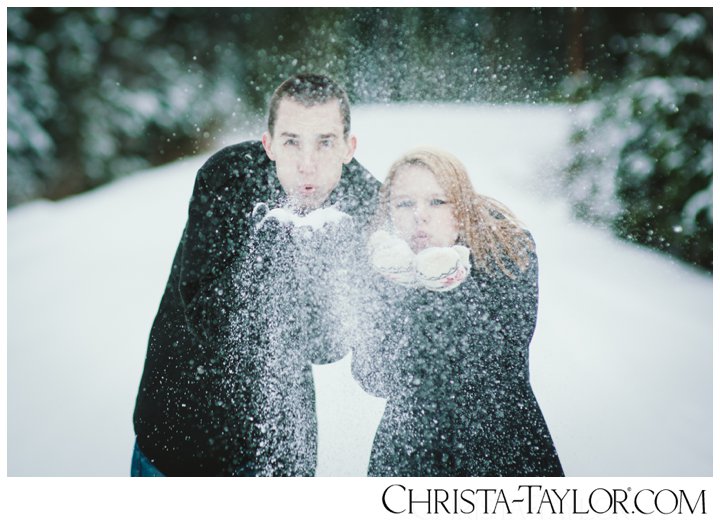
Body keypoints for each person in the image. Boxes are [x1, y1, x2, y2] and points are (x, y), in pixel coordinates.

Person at [132, 73, 379, 476]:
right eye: (291, 141)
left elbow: (326, 346)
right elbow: (208, 314)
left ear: (349, 147)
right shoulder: (228, 178)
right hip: (180, 433)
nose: (307, 165)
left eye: (325, 142)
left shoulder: (363, 206)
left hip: (277, 449)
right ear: (269, 144)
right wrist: (280, 248)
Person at [352, 148, 563, 476]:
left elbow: (499, 364)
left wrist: (449, 284)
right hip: (409, 453)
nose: (419, 215)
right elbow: (373, 376)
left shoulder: (506, 254)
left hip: (502, 450)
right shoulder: (385, 265)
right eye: (404, 204)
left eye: (437, 202)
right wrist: (397, 288)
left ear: (462, 209)